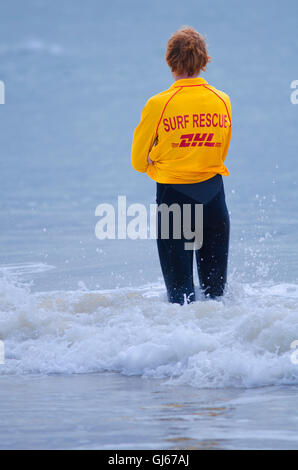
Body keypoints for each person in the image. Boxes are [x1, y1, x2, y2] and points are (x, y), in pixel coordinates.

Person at [131, 26, 232, 305]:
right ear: (203, 61)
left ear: (169, 60)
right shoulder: (222, 100)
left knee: (180, 301)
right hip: (214, 200)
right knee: (217, 300)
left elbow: (138, 162)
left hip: (174, 200)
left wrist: (160, 169)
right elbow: (219, 151)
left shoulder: (158, 104)